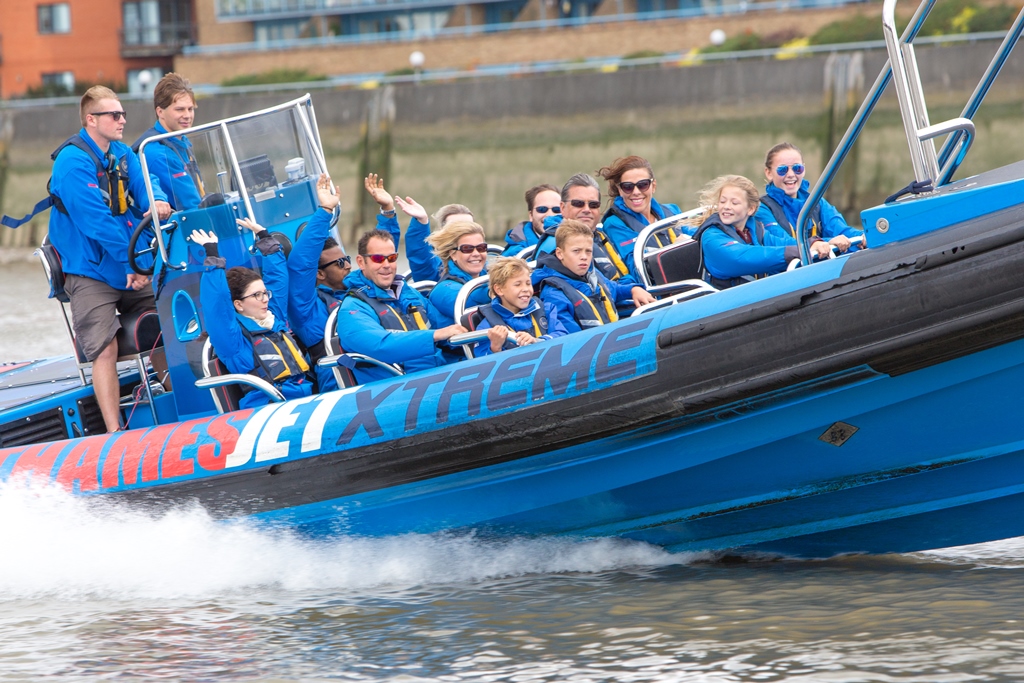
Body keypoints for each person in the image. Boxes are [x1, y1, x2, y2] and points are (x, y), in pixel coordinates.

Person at [47, 85, 172, 432]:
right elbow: (95, 222)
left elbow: (148, 181)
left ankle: (179, 402)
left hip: (130, 262)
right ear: (91, 119)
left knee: (173, 317)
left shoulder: (119, 152)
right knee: (104, 348)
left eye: (123, 114)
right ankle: (115, 431)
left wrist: (155, 201)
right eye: (113, 115)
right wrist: (130, 264)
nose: (122, 120)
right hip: (89, 270)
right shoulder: (72, 164)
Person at [193, 219, 313, 409]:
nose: (265, 299)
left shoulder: (274, 320)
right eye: (257, 295)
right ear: (238, 304)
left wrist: (266, 239)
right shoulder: (233, 341)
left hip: (304, 395)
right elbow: (217, 306)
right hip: (268, 405)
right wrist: (213, 257)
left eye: (265, 293)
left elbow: (278, 280)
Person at [336, 229, 466, 383]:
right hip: (396, 387)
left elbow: (445, 326)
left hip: (434, 375)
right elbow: (381, 346)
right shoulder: (352, 308)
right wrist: (434, 335)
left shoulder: (408, 293)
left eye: (391, 258)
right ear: (360, 262)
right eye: (378, 259)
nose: (386, 265)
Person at [693, 175, 831, 290]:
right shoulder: (711, 237)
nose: (726, 207)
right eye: (722, 202)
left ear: (751, 209)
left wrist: (815, 243)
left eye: (734, 203)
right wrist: (797, 252)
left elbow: (783, 243)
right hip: (724, 307)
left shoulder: (755, 230)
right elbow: (744, 257)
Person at [286, 173, 350, 392]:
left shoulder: (362, 291)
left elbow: (382, 261)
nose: (348, 266)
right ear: (320, 274)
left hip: (377, 368)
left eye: (347, 260)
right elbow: (300, 266)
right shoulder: (307, 310)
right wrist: (325, 212)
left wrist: (388, 213)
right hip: (339, 381)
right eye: (340, 263)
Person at [532, 220, 654, 334]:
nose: (584, 257)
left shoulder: (593, 275)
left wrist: (633, 290)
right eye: (576, 251)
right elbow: (570, 339)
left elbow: (614, 289)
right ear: (560, 253)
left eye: (588, 251)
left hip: (611, 338)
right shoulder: (553, 294)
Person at [756, 142, 866, 253]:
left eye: (797, 168)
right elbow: (780, 242)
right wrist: (818, 243)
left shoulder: (816, 202)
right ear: (769, 173)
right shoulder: (762, 208)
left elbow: (840, 229)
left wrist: (863, 236)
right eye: (782, 170)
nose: (790, 174)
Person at [597, 156, 686, 282]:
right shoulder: (615, 224)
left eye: (643, 185)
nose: (636, 192)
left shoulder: (672, 210)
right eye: (628, 187)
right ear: (620, 190)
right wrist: (679, 250)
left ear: (653, 186)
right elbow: (638, 269)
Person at [131, 73, 203, 211]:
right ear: (160, 112)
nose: (187, 115)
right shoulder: (158, 153)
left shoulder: (181, 142)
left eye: (190, 109)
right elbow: (190, 204)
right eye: (180, 109)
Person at [472, 257, 567, 357]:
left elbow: (563, 335)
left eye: (528, 283)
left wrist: (538, 341)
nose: (525, 289)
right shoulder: (488, 327)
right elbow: (482, 364)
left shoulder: (546, 309)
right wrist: (495, 347)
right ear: (499, 290)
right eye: (517, 285)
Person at [424, 220, 492, 327]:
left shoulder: (489, 278)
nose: (476, 254)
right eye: (467, 249)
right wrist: (500, 289)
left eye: (481, 248)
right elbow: (469, 302)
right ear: (453, 254)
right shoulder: (442, 290)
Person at [502, 184, 561, 257]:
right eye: (542, 209)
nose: (550, 215)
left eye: (557, 210)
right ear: (531, 215)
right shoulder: (516, 253)